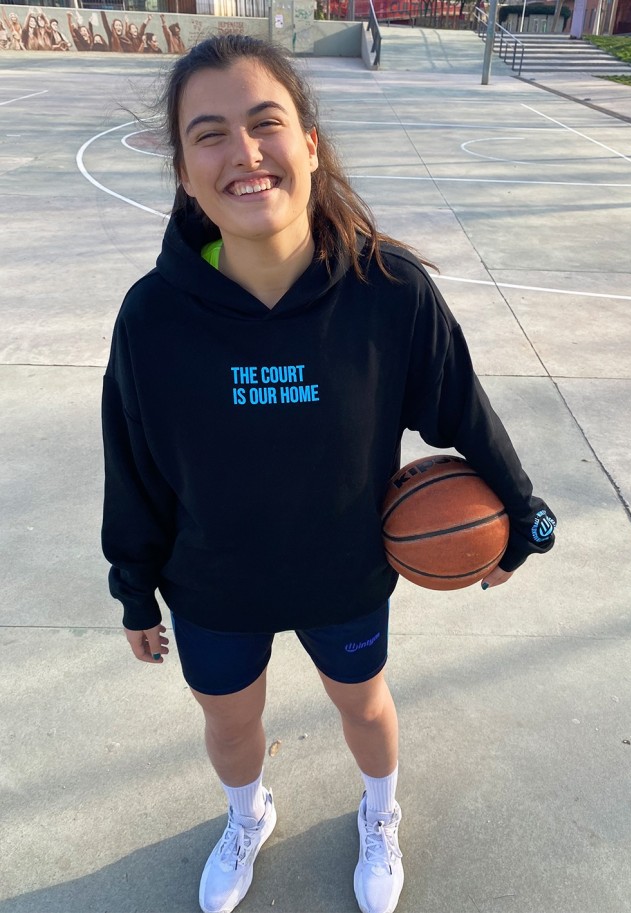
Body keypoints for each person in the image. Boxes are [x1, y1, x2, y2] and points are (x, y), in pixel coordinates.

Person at [101, 34, 556, 913]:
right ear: (184, 171)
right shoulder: (153, 317)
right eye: (209, 134)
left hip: (344, 571)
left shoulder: (388, 291)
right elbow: (134, 460)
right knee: (229, 722)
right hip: (214, 582)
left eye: (265, 123)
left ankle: (380, 811)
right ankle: (248, 813)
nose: (244, 152)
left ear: (309, 143)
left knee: (364, 704)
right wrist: (133, 587)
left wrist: (523, 511)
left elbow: (462, 408)